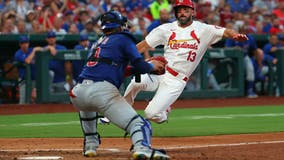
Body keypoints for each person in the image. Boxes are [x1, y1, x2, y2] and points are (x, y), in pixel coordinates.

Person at [120, 0, 248, 124]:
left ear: (192, 12)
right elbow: (142, 46)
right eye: (179, 10)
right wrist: (122, 57)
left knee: (151, 114)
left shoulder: (203, 29)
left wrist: (235, 35)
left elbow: (225, 31)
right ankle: (121, 110)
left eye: (186, 10)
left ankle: (164, 112)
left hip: (176, 80)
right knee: (136, 83)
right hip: (161, 70)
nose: (182, 13)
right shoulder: (165, 29)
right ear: (175, 13)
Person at [69, 10, 169, 159]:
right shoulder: (123, 38)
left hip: (78, 93)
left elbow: (111, 69)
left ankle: (90, 145)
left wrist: (142, 67)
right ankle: (142, 148)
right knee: (139, 125)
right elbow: (140, 66)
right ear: (120, 25)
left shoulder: (97, 43)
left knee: (88, 105)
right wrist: (151, 66)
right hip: (101, 91)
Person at [14, 35, 42, 104]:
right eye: (22, 43)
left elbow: (42, 49)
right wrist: (34, 51)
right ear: (20, 44)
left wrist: (49, 47)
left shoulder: (31, 49)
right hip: (24, 81)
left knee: (36, 101)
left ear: (28, 43)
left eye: (26, 42)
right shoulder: (18, 53)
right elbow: (27, 61)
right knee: (23, 101)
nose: (24, 45)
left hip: (34, 81)